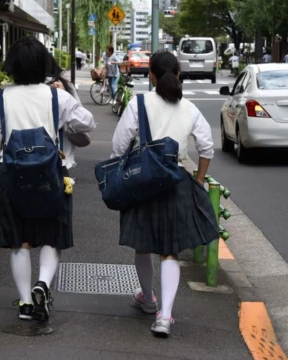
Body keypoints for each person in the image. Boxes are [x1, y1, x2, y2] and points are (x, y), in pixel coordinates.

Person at [0, 37, 96, 323]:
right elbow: (88, 123)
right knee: (51, 235)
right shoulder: (57, 96)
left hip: (12, 174)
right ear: (44, 65)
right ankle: (42, 285)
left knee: (18, 241)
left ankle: (24, 303)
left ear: (12, 66)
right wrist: (62, 114)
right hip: (51, 174)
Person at [110, 51, 218, 337]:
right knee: (169, 251)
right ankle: (165, 316)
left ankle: (147, 298)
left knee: (142, 245)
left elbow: (118, 147)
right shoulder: (190, 109)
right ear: (179, 74)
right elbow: (206, 149)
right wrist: (198, 178)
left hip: (143, 183)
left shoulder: (139, 103)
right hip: (176, 182)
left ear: (151, 76)